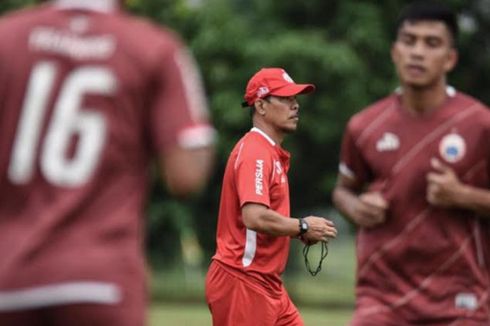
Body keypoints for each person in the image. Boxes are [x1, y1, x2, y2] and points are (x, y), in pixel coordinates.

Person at [0, 0, 215, 325]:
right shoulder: (154, 46)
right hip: (102, 277)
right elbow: (186, 175)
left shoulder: (7, 36)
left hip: (10, 276)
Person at [333, 1, 490, 325]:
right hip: (382, 296)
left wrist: (462, 195)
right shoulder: (364, 126)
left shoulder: (480, 124)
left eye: (431, 43)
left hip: (462, 296)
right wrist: (357, 207)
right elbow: (342, 192)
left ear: (450, 58)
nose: (417, 52)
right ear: (395, 52)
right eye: (409, 41)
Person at [205, 67, 337, 326]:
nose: (295, 106)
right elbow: (254, 217)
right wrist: (302, 225)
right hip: (243, 280)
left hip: (267, 285)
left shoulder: (270, 152)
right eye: (286, 99)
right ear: (261, 106)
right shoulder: (255, 150)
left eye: (295, 99)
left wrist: (298, 232)